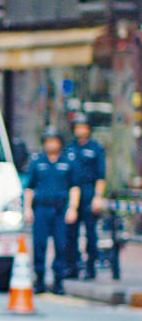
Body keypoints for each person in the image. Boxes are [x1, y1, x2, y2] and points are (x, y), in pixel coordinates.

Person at [23, 127, 80, 295]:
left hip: (60, 209)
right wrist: (27, 208)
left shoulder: (68, 162)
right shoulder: (37, 162)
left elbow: (74, 187)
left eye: (54, 141)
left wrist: (73, 208)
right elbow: (30, 188)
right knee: (39, 244)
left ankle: (58, 281)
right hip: (41, 208)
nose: (51, 144)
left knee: (61, 245)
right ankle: (39, 280)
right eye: (48, 141)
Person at [64, 112, 107, 280]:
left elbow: (101, 176)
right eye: (77, 127)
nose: (79, 130)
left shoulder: (96, 148)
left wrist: (98, 197)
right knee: (71, 233)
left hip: (89, 192)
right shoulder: (69, 148)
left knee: (90, 233)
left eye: (83, 127)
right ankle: (72, 266)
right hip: (73, 192)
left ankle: (90, 267)